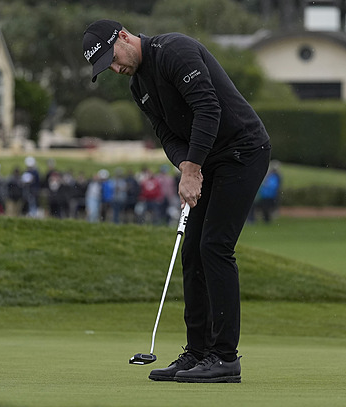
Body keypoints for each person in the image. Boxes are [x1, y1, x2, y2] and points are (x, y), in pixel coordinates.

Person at [82, 19, 270, 383]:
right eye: (107, 66)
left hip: (243, 152)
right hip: (209, 161)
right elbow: (166, 133)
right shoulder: (139, 86)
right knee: (192, 252)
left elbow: (208, 109)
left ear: (123, 37)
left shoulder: (174, 51)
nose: (115, 68)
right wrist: (186, 163)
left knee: (215, 246)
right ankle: (198, 353)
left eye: (113, 58)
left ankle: (225, 358)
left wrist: (192, 169)